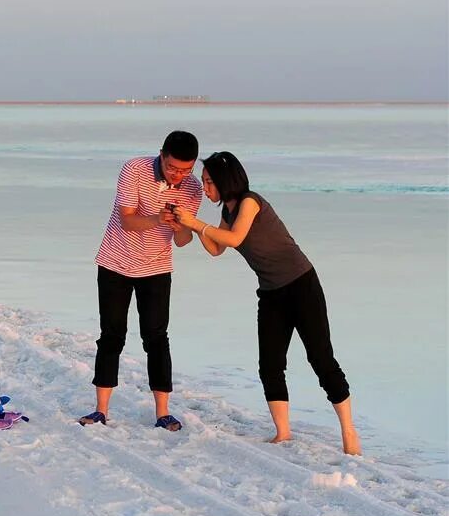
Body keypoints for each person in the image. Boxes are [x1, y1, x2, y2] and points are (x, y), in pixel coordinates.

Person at [172, 151, 361, 455]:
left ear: (225, 180)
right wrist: (189, 225)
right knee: (270, 365)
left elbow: (234, 239)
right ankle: (283, 433)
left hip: (301, 285)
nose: (205, 188)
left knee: (321, 360)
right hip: (271, 292)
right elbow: (217, 249)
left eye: (209, 182)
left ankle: (349, 433)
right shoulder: (228, 211)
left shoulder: (249, 202)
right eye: (204, 182)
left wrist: (195, 221)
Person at [80, 131, 203, 431]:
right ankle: (101, 410)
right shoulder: (135, 169)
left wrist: (180, 225)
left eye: (186, 170)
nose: (179, 175)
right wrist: (158, 219)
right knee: (112, 335)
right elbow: (127, 220)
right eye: (173, 168)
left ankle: (163, 412)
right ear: (161, 155)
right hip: (115, 262)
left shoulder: (193, 189)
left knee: (157, 338)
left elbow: (184, 241)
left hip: (157, 268)